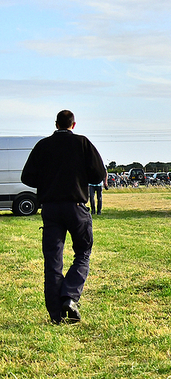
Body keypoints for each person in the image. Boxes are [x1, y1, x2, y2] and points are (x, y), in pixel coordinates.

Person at [21, 110, 106, 324]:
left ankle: (55, 314)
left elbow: (27, 177)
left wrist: (47, 181)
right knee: (83, 253)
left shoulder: (43, 146)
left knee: (53, 261)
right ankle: (69, 297)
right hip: (76, 206)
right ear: (73, 125)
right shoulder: (83, 143)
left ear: (56, 124)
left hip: (50, 208)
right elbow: (98, 174)